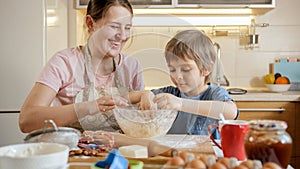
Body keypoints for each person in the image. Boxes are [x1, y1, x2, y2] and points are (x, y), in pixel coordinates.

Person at [19, 0, 144, 133]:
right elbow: (26, 120)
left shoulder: (131, 66)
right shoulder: (65, 62)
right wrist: (87, 108)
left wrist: (151, 100)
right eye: (114, 26)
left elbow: (140, 123)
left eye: (127, 28)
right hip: (74, 152)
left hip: (120, 152)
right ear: (90, 24)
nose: (123, 36)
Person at [129, 29, 238, 136]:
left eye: (185, 69)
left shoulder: (214, 94)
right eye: (172, 69)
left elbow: (231, 111)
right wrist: (145, 94)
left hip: (204, 151)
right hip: (171, 152)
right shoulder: (170, 93)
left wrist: (180, 103)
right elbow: (125, 97)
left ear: (206, 68)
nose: (177, 76)